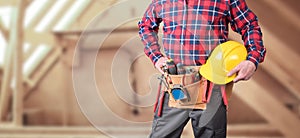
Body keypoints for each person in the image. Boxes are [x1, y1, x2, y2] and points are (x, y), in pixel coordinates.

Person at [138, 0, 266, 137]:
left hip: (212, 86)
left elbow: (249, 25)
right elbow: (146, 26)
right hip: (175, 84)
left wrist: (252, 60)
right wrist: (156, 57)